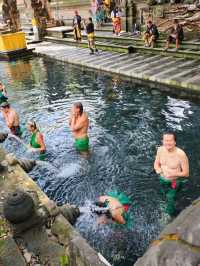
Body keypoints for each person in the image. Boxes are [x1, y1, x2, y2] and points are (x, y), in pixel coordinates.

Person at [154, 132, 189, 215]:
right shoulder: (160, 150)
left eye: (170, 140)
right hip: (162, 178)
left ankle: (170, 216)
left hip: (174, 181)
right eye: (166, 140)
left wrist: (173, 174)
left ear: (175, 142)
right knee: (163, 193)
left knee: (170, 197)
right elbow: (156, 163)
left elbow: (186, 173)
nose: (167, 143)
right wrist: (158, 170)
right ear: (162, 141)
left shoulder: (181, 154)